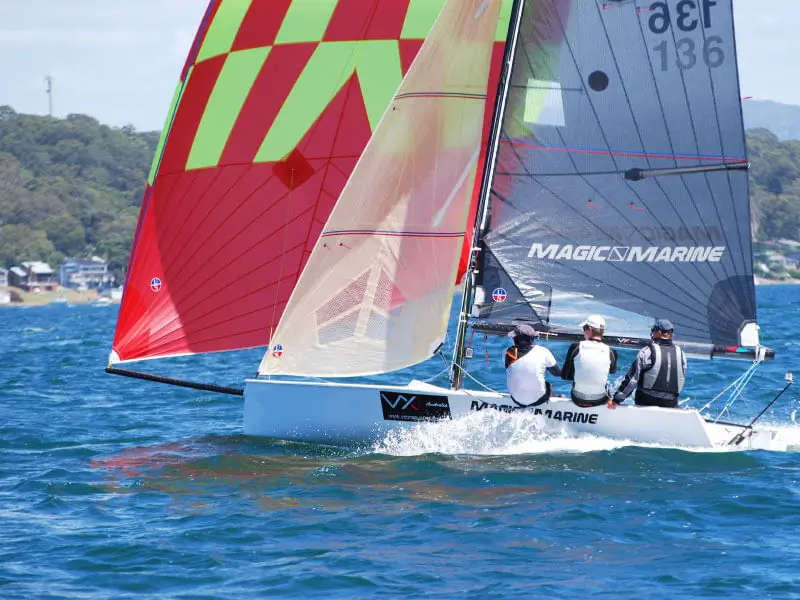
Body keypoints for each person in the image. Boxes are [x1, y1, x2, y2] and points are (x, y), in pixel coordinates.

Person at [609, 318, 687, 409]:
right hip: (671, 403)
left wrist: (616, 400)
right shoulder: (681, 354)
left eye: (653, 331)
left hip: (646, 400)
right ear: (671, 334)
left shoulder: (647, 351)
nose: (652, 334)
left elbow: (632, 380)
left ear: (659, 332)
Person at [560, 314, 618, 407]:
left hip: (578, 399)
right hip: (600, 400)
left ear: (589, 329)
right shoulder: (611, 351)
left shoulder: (576, 347)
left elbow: (565, 376)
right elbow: (612, 371)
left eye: (584, 328)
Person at [505, 324, 561, 407]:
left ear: (515, 339)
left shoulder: (506, 352)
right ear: (531, 339)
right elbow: (557, 373)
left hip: (516, 400)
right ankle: (558, 398)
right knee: (548, 385)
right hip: (539, 400)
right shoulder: (543, 352)